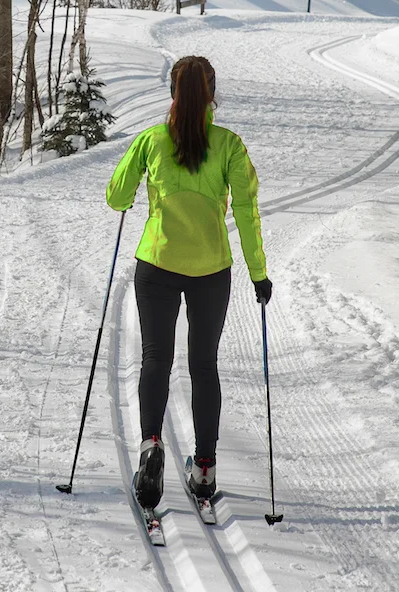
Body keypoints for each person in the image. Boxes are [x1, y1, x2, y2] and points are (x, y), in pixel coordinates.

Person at [106, 55, 272, 509]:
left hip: (157, 263)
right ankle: (204, 468)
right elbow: (246, 212)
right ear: (213, 92)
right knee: (203, 365)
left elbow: (117, 197)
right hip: (210, 270)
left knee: (156, 359)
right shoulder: (230, 146)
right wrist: (259, 273)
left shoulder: (151, 141)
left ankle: (151, 446)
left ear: (172, 92)